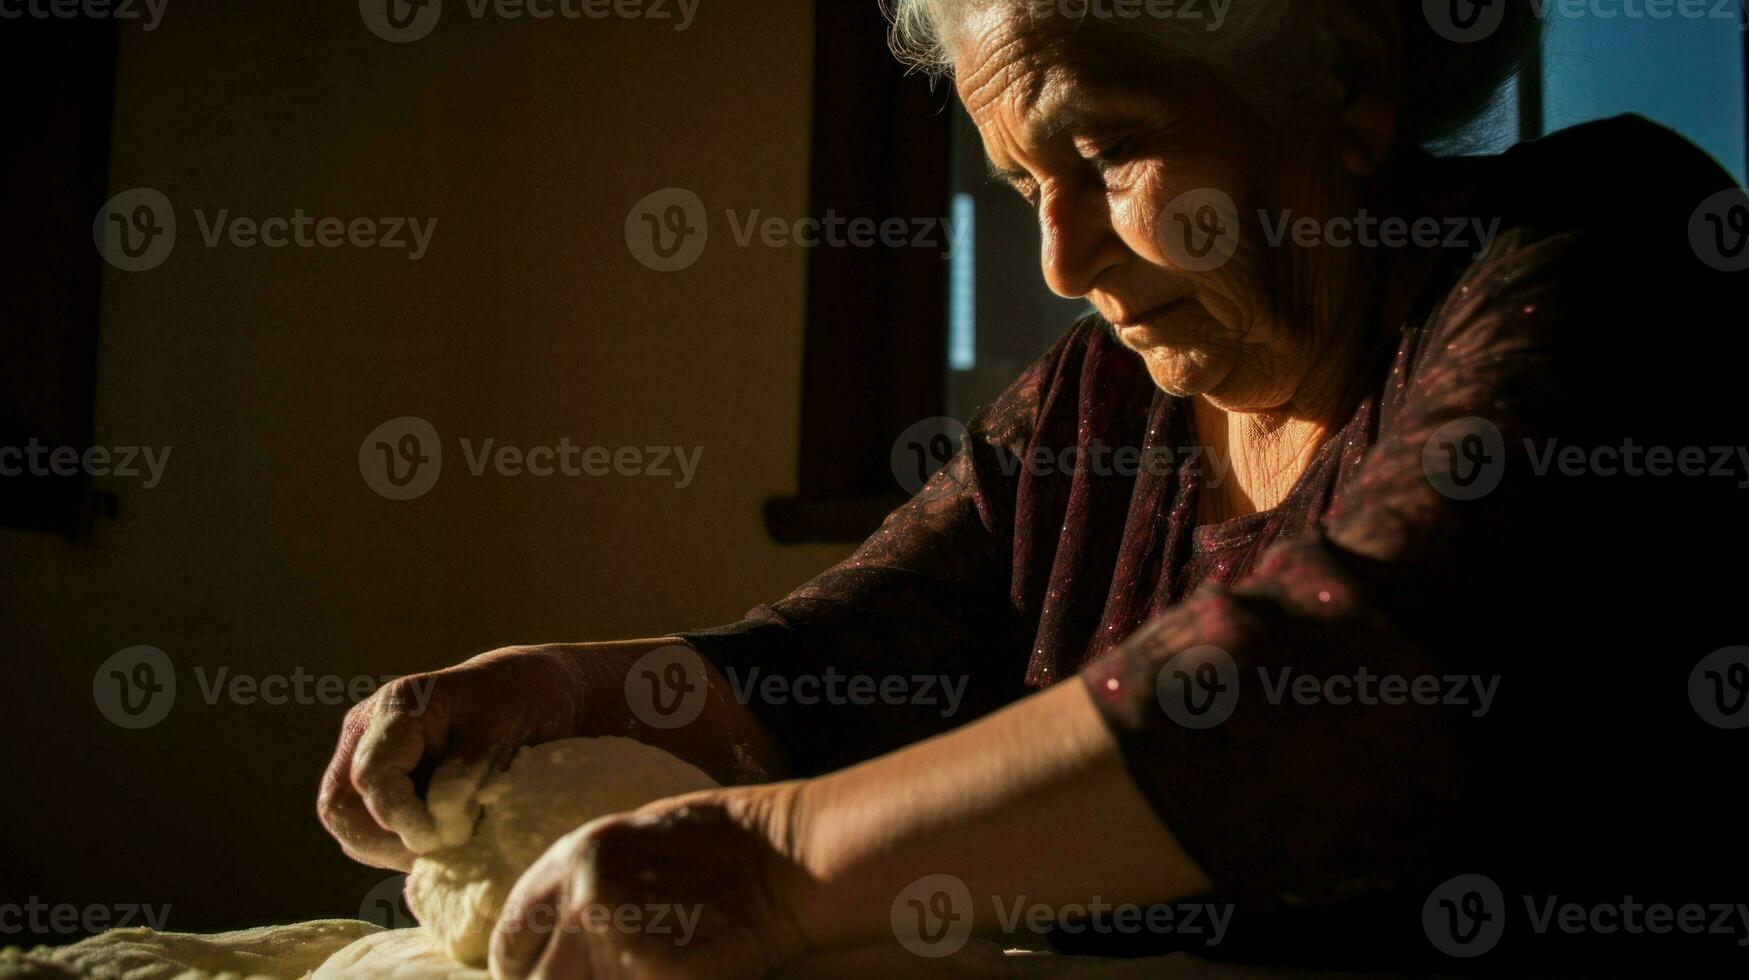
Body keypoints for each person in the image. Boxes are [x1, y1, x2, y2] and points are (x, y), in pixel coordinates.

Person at [319, 0, 1749, 974]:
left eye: (1109, 150)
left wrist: (768, 866)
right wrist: (573, 687)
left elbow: (1359, 665)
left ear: (1348, 87)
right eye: (1019, 185)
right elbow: (848, 655)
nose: (1061, 262)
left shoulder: (1597, 237)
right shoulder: (1094, 401)